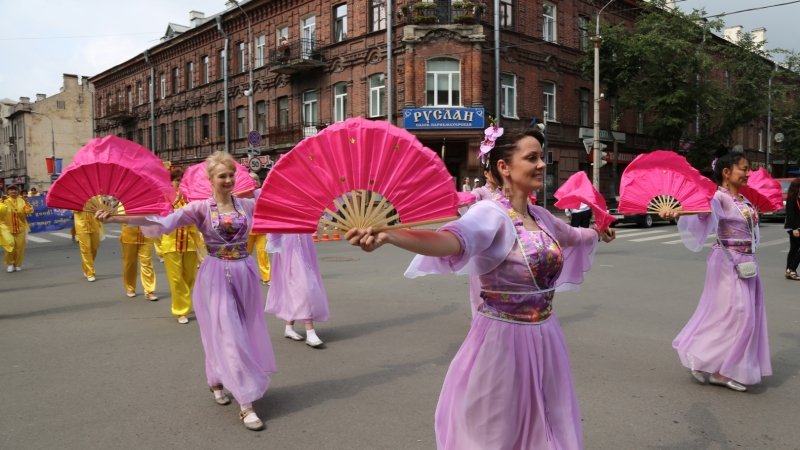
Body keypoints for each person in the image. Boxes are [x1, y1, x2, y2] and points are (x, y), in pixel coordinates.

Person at [346, 126, 615, 449]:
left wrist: (599, 231)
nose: (542, 165)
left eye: (541, 157)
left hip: (546, 335)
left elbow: (574, 236)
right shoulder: (490, 214)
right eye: (532, 158)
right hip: (502, 340)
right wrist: (392, 235)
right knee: (496, 428)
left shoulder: (542, 217)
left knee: (547, 418)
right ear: (504, 167)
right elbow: (452, 239)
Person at [96, 151, 276, 431]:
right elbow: (160, 222)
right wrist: (115, 218)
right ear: (211, 179)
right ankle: (246, 404)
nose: (228, 180)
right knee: (230, 334)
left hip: (246, 273)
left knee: (242, 329)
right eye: (222, 176)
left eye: (231, 175)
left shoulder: (247, 205)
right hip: (216, 275)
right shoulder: (200, 209)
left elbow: (278, 199)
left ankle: (216, 379)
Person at [661, 148, 771, 392]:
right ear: (726, 172)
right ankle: (721, 371)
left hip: (748, 263)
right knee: (739, 315)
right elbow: (700, 214)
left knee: (738, 316)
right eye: (743, 169)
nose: (748, 174)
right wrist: (673, 212)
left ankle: (704, 361)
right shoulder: (718, 198)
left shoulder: (745, 200)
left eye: (748, 169)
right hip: (727, 261)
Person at [265, 233, 329, 347]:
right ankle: (310, 330)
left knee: (295, 286)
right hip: (288, 245)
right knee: (302, 285)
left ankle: (289, 327)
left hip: (303, 242)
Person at [160, 166, 203, 324]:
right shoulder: (165, 198)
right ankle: (181, 310)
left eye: (181, 180)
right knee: (176, 279)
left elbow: (196, 221)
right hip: (171, 244)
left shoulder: (190, 199)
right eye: (177, 180)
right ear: (170, 182)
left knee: (189, 277)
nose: (179, 183)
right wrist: (172, 205)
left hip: (189, 243)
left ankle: (184, 302)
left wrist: (199, 248)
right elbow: (161, 219)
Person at [120, 220, 159, 301]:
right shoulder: (123, 207)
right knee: (129, 263)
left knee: (146, 262)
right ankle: (130, 287)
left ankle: (149, 291)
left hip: (147, 236)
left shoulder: (149, 206)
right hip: (129, 236)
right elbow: (120, 217)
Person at [246, 173, 271, 285]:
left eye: (256, 179)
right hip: (247, 230)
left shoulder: (262, 192)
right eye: (252, 180)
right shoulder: (242, 195)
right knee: (245, 254)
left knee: (263, 253)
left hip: (261, 228)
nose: (254, 182)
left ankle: (267, 277)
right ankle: (246, 276)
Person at [1, 185, 34, 272]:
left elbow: (29, 211)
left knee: (20, 247)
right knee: (10, 246)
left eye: (15, 190)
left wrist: (27, 204)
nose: (13, 191)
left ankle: (18, 264)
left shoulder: (22, 201)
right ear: (8, 192)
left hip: (21, 228)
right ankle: (10, 264)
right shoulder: (4, 201)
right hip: (7, 228)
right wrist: (1, 201)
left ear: (18, 191)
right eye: (11, 190)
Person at [72, 208, 103, 282]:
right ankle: (90, 273)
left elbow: (100, 207)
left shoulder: (95, 197)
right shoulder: (75, 197)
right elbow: (73, 209)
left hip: (94, 223)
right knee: (85, 249)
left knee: (94, 248)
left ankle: (86, 267)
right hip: (81, 224)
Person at [783, 178, 800, 280]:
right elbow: (790, 214)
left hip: (796, 227)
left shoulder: (797, 197)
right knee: (794, 249)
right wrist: (794, 229)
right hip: (794, 227)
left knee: (793, 249)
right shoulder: (791, 198)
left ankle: (789, 270)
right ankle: (793, 269)